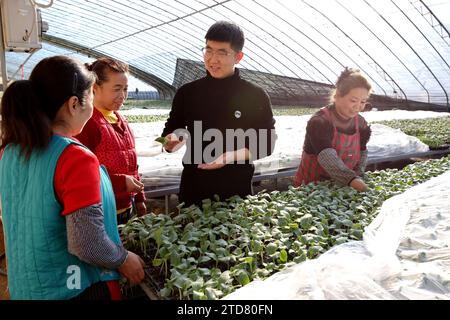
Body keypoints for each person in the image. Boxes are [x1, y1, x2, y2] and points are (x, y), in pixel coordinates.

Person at [0, 56, 145, 300]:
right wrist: (123, 258)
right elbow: (86, 243)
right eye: (90, 96)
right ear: (74, 104)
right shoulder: (74, 158)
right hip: (73, 288)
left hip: (27, 286)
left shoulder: (10, 152)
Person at [161, 21, 276, 207]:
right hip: (193, 190)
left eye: (222, 52)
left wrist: (229, 156)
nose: (212, 59)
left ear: (238, 57)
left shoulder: (254, 95)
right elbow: (171, 131)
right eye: (208, 50)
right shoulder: (187, 93)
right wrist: (171, 142)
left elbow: (266, 143)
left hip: (236, 192)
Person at [75, 58, 146, 224]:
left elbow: (132, 164)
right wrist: (121, 183)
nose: (123, 96)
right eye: (117, 89)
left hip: (126, 207)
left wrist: (140, 197)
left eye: (126, 89)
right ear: (95, 88)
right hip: (102, 212)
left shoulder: (121, 120)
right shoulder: (88, 124)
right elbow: (83, 175)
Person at [294, 67, 372, 192]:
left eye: (363, 102)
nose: (358, 107)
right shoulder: (320, 121)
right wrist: (352, 180)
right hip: (312, 188)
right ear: (337, 96)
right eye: (353, 100)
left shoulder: (361, 123)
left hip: (344, 188)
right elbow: (326, 156)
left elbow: (362, 151)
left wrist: (359, 173)